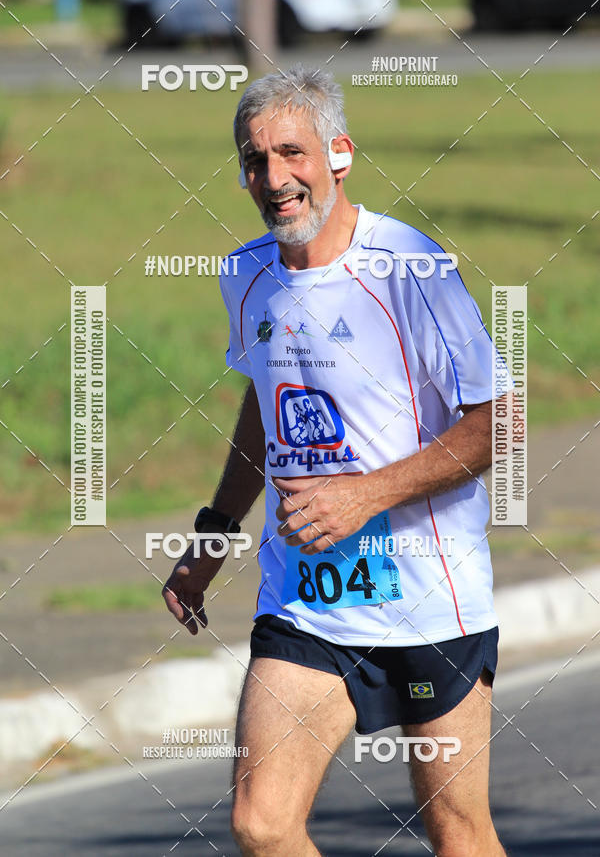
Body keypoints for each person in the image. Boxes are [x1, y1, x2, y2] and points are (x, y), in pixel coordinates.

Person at [163, 64, 508, 857]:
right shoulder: (246, 274)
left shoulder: (410, 268)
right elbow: (265, 403)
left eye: (293, 153)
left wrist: (365, 496)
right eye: (255, 161)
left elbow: (498, 423)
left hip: (428, 592)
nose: (275, 179)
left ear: (339, 154)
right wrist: (214, 537)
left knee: (458, 832)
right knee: (262, 823)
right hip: (308, 600)